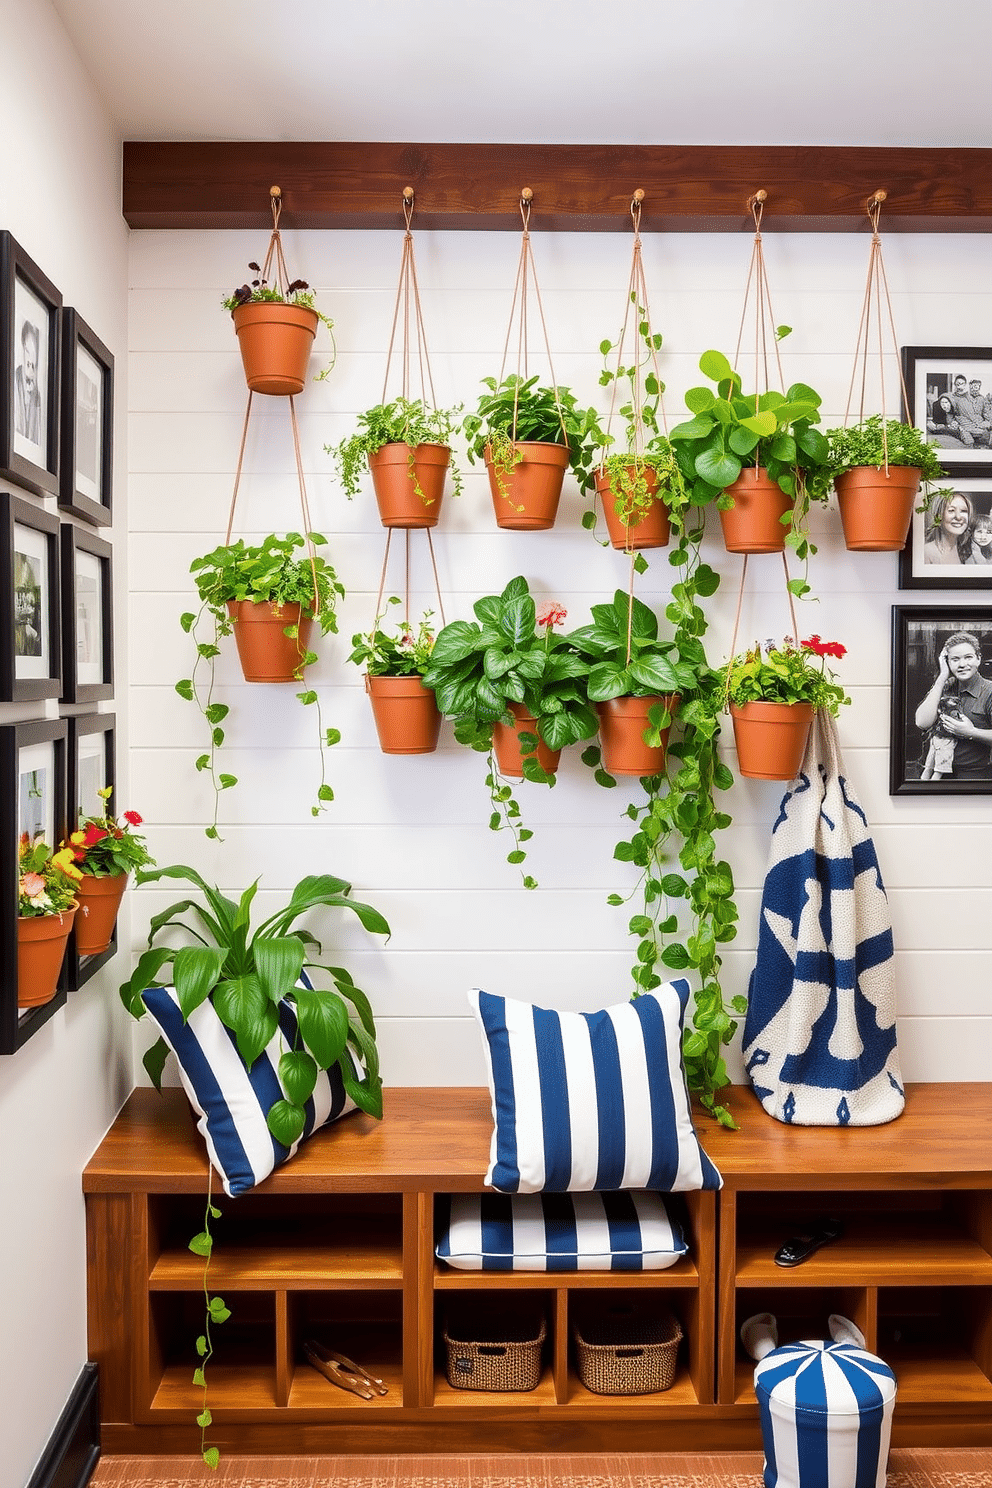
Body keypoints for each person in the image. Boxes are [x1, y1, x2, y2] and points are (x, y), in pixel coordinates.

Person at [914, 631, 992, 781]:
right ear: (947, 662)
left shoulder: (989, 691)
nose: (962, 664)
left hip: (971, 776)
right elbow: (922, 722)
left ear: (978, 659)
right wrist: (942, 676)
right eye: (955, 659)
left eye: (968, 657)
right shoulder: (945, 685)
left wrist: (971, 732)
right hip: (930, 773)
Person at [923, 489, 974, 564]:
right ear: (938, 515)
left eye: (963, 511)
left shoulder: (967, 552)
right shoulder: (927, 552)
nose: (958, 517)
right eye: (951, 510)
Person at [14, 319, 41, 443]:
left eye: (33, 354)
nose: (29, 361)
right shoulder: (13, 382)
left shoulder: (37, 396)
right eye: (27, 351)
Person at [952, 375, 992, 448]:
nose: (974, 389)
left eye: (976, 387)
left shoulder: (982, 399)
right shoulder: (957, 398)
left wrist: (986, 423)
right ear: (969, 386)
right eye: (972, 386)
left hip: (980, 426)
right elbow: (955, 414)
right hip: (968, 426)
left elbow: (986, 414)